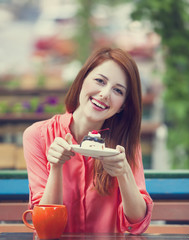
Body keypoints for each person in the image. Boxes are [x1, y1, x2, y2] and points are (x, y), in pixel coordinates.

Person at [23, 47, 153, 234]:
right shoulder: (38, 135)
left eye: (118, 90)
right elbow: (45, 227)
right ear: (82, 79)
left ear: (123, 106)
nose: (105, 93)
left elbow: (137, 223)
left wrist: (124, 172)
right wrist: (56, 168)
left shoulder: (125, 143)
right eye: (100, 81)